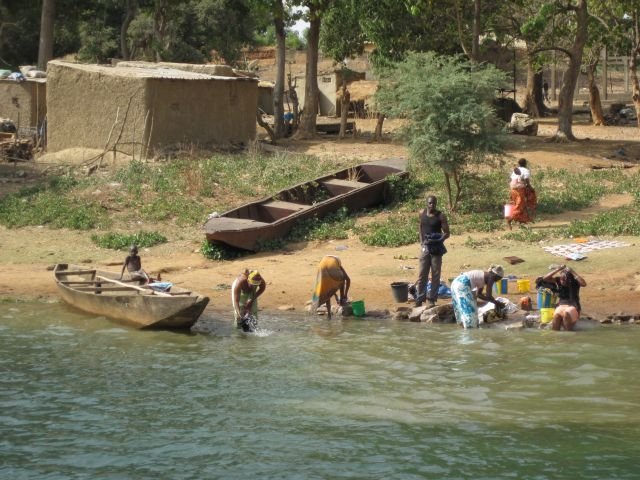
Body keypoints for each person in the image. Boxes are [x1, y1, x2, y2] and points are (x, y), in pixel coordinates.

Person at [415, 195, 450, 307]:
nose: (432, 205)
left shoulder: (441, 216)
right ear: (426, 203)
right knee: (422, 275)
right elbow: (420, 227)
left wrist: (439, 239)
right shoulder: (422, 213)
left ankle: (432, 299)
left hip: (436, 248)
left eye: (434, 203)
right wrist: (421, 242)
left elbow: (447, 233)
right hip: (425, 248)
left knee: (435, 275)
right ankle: (419, 299)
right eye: (430, 203)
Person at [451, 265, 505, 329]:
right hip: (462, 284)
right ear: (495, 275)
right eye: (498, 279)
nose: (497, 281)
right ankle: (470, 332)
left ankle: (463, 328)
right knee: (470, 310)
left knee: (462, 309)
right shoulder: (491, 277)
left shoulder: (483, 276)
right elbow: (489, 296)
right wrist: (497, 303)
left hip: (456, 283)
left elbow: (479, 295)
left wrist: (493, 302)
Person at [542, 265, 586, 331]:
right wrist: (557, 269)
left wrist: (572, 272)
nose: (562, 281)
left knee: (566, 313)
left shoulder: (575, 282)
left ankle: (568, 335)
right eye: (561, 279)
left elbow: (584, 284)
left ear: (569, 279)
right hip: (561, 306)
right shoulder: (558, 281)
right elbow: (545, 278)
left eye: (564, 279)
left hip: (573, 306)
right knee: (557, 315)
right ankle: (556, 337)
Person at [311, 255, 351, 320]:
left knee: (327, 289)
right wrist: (345, 295)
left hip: (320, 268)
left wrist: (335, 295)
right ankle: (342, 300)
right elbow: (348, 279)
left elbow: (330, 287)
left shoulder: (325, 259)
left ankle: (329, 315)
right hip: (330, 267)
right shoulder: (337, 264)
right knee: (342, 280)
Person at [506, 158, 537, 229]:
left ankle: (521, 221)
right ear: (525, 164)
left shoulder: (515, 170)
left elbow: (512, 179)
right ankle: (509, 219)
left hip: (512, 189)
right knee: (520, 206)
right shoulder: (526, 170)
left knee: (514, 204)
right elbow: (526, 180)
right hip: (519, 189)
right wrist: (530, 187)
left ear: (519, 164)